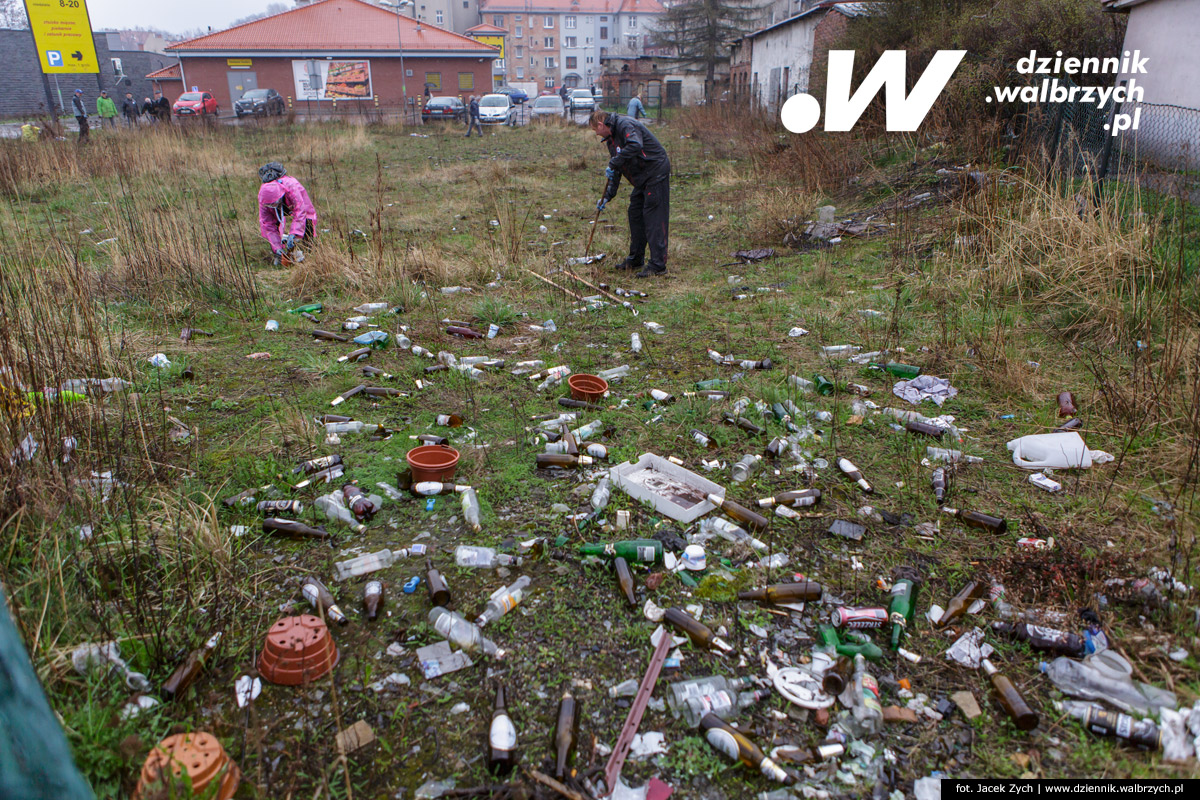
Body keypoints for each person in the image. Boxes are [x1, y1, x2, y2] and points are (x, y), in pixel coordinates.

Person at [590, 109, 671, 278]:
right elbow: (617, 168)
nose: (596, 134)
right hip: (642, 178)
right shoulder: (611, 141)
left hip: (655, 171)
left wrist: (614, 162)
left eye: (595, 130)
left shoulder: (624, 125)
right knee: (635, 213)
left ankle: (658, 265)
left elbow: (635, 145)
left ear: (600, 124)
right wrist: (607, 196)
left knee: (653, 216)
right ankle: (636, 258)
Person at [257, 163, 318, 266]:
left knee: (307, 219)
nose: (272, 205)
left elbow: (300, 212)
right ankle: (279, 254)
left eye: (274, 203)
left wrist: (294, 233)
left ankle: (308, 248)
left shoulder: (292, 189)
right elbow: (268, 225)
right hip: (280, 202)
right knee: (272, 227)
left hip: (295, 200)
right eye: (269, 204)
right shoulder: (264, 200)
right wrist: (277, 248)